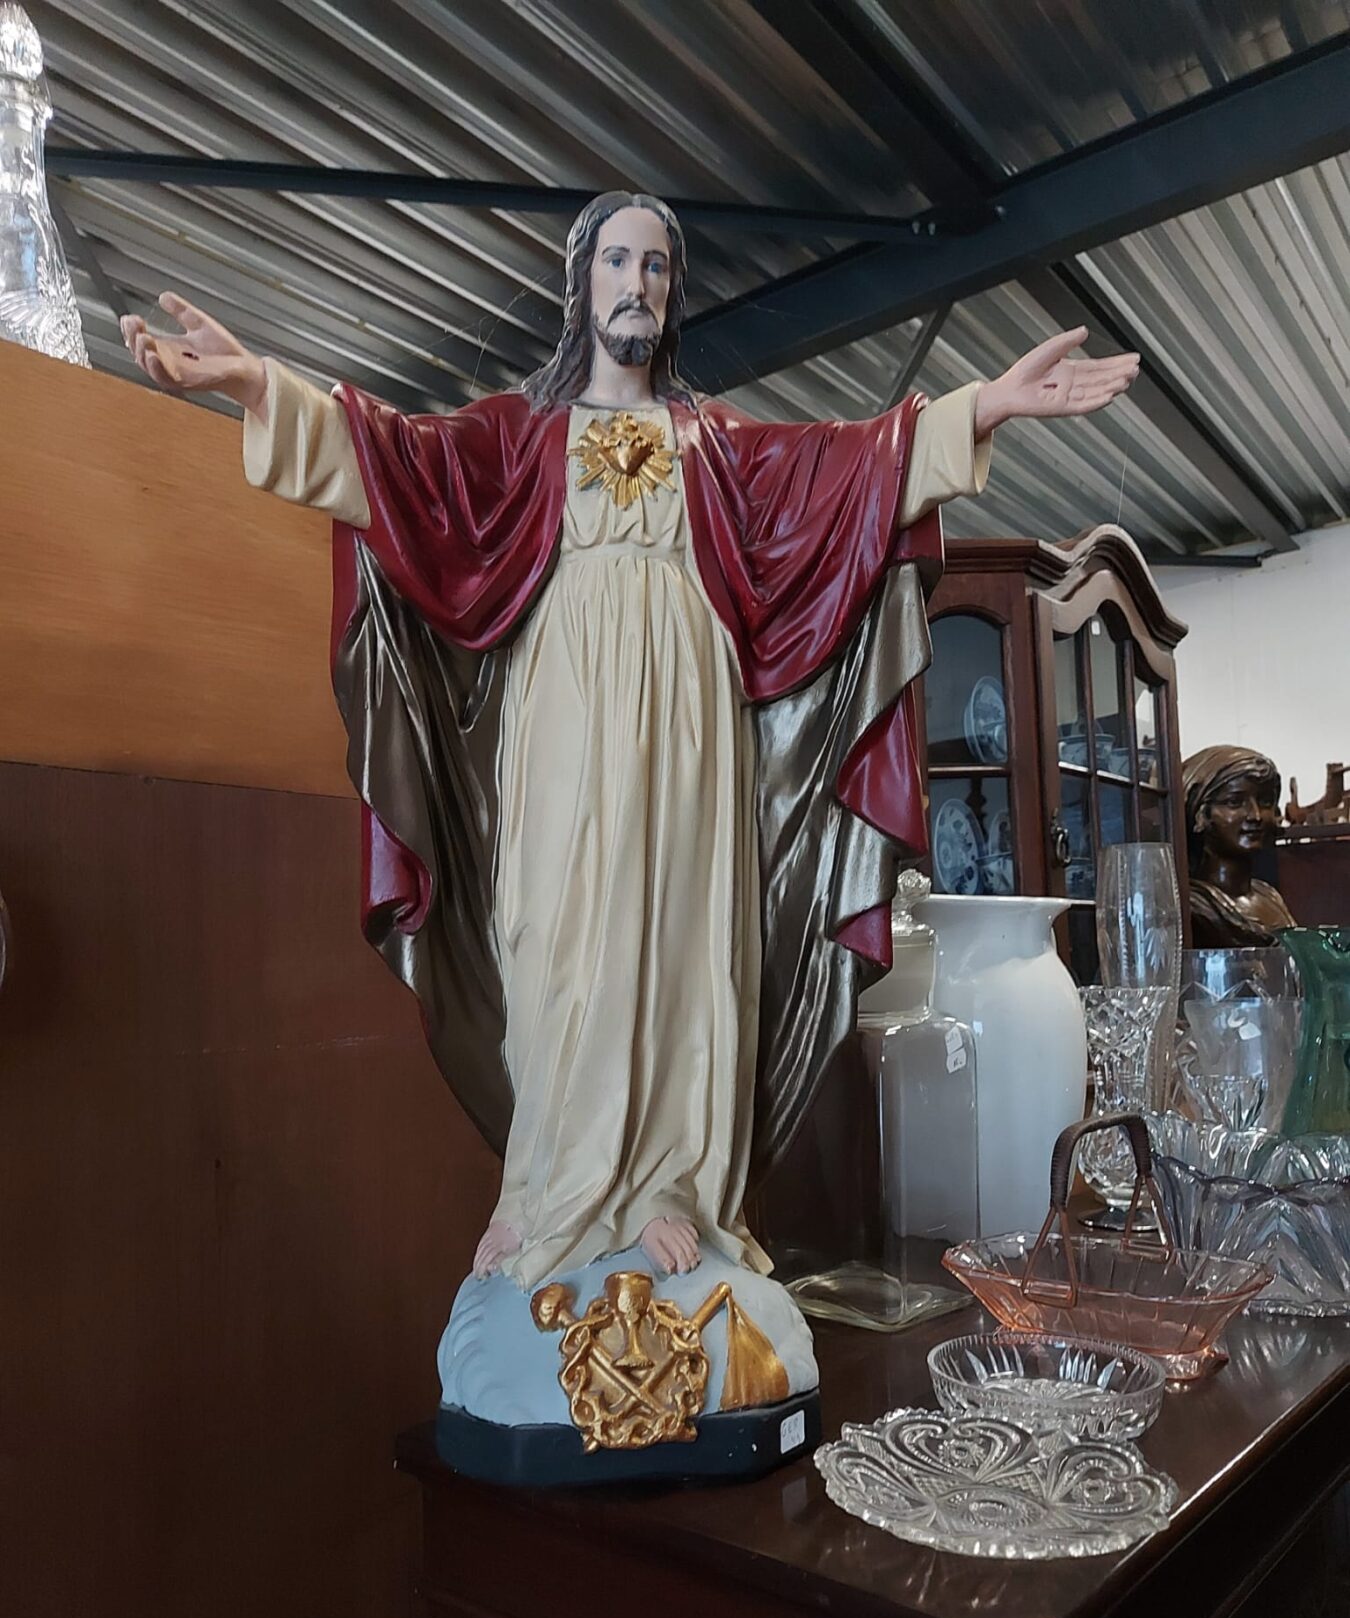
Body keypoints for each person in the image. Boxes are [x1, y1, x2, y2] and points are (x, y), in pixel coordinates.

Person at [122, 190, 1139, 1293]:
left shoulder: (719, 450)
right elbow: (394, 463)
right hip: (559, 722)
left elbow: (853, 466)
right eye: (617, 261)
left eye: (656, 267)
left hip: (695, 729)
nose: (637, 285)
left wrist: (987, 405)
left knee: (684, 939)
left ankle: (672, 1188)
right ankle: (548, 1186)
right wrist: (256, 384)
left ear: (674, 293)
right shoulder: (515, 439)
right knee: (558, 937)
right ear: (582, 284)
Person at [1183, 744, 1297, 947]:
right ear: (1200, 813)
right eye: (1234, 802)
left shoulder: (1269, 895)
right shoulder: (1194, 905)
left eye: (1265, 802)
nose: (1255, 815)